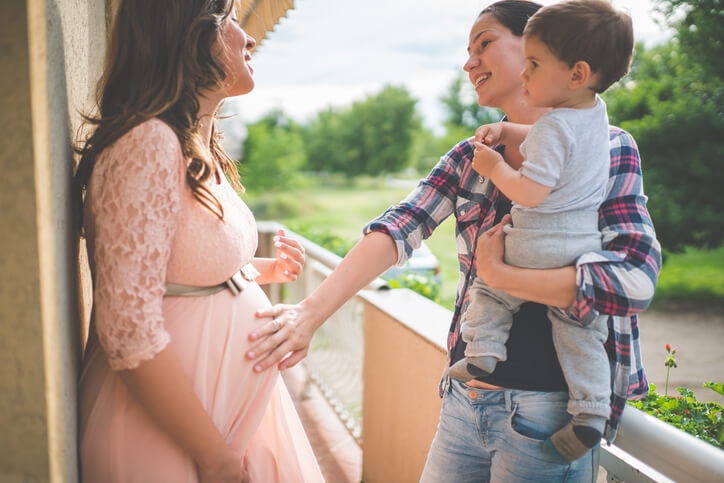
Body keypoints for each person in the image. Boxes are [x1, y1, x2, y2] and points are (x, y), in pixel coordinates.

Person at [248, 0, 660, 480]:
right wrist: (308, 314)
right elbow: (399, 226)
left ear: (538, 46)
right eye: (467, 51)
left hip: (549, 413)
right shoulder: (474, 154)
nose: (468, 63)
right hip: (465, 400)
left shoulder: (610, 148)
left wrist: (501, 276)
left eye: (484, 44)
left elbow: (633, 281)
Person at [74, 1, 323, 481]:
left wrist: (253, 273)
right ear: (188, 36)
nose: (246, 36)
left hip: (222, 422)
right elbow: (128, 327)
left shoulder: (191, 143)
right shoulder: (147, 142)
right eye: (228, 20)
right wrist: (213, 455)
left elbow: (169, 271)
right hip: (169, 436)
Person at [446, 0, 634, 464]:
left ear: (576, 73)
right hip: (578, 253)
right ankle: (590, 413)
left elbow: (530, 191)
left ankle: (483, 351)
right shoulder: (598, 122)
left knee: (489, 289)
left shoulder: (551, 127)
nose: (527, 75)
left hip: (532, 245)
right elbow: (552, 143)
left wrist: (493, 164)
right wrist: (507, 133)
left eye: (533, 63)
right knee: (581, 334)